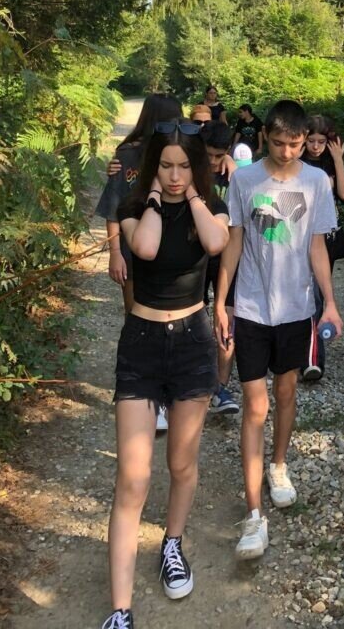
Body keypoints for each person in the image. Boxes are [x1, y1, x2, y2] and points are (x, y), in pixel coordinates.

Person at [100, 120, 229, 629]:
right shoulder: (134, 209)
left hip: (193, 343)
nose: (175, 176)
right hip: (142, 345)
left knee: (181, 463)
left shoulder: (210, 207)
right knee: (132, 478)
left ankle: (172, 543)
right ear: (153, 166)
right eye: (166, 166)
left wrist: (194, 195)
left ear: (196, 168)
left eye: (184, 166)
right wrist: (154, 196)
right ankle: (120, 610)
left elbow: (216, 243)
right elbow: (147, 250)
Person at [214, 99, 342, 561]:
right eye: (280, 143)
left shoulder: (317, 181)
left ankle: (279, 464)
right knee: (256, 406)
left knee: (286, 392)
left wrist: (330, 303)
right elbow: (234, 241)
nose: (288, 152)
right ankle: (253, 515)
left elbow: (317, 246)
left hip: (295, 308)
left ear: (305, 141)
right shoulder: (245, 180)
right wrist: (221, 302)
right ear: (265, 136)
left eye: (297, 144)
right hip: (251, 305)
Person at [96, 93, 183, 316]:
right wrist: (115, 253)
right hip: (135, 250)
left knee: (163, 318)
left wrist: (228, 159)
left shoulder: (185, 155)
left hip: (171, 251)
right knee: (136, 317)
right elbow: (114, 209)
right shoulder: (127, 155)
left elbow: (212, 156)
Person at [301, 114, 344, 381]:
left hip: (327, 238)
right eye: (312, 140)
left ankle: (312, 356)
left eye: (322, 141)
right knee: (308, 295)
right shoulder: (297, 162)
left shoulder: (331, 164)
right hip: (300, 236)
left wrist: (339, 160)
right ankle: (310, 357)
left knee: (318, 294)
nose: (316, 146)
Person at [202, 123, 239, 415]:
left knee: (228, 317)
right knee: (193, 320)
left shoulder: (236, 175)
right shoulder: (186, 171)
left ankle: (220, 388)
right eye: (209, 155)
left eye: (219, 155)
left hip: (228, 256)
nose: (214, 161)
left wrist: (235, 170)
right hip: (195, 257)